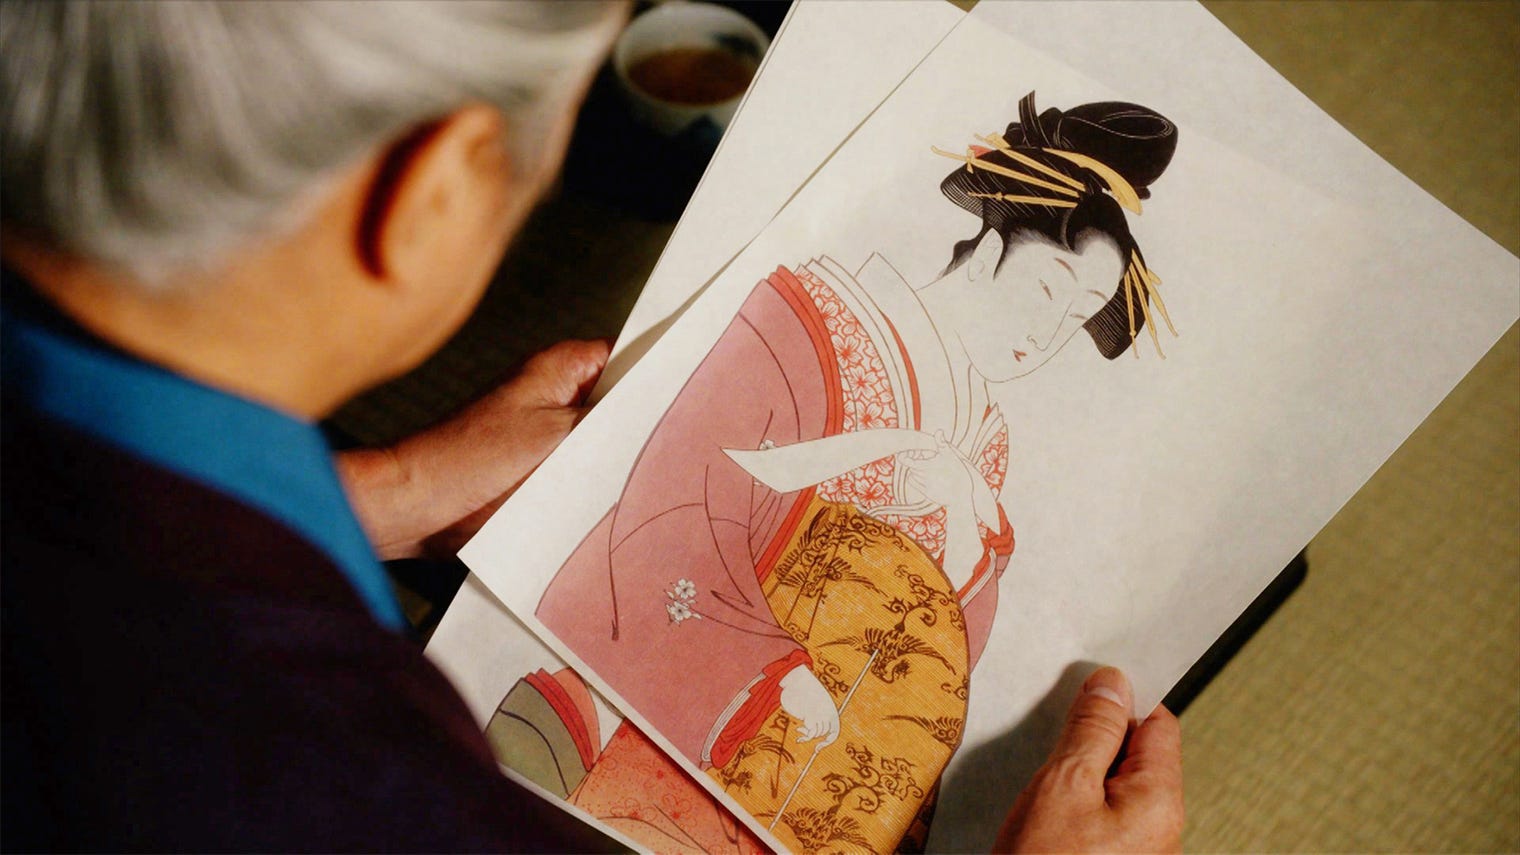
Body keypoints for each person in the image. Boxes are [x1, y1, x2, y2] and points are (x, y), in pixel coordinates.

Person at [0, 2, 1182, 852]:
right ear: (435, 196)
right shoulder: (334, 772)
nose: (1045, 329)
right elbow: (680, 526)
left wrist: (389, 490)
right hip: (736, 705)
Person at [533, 92, 1181, 851]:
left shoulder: (982, 439)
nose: (1048, 333)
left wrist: (964, 526)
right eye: (1047, 290)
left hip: (848, 765)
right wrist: (772, 671)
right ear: (988, 250)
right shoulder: (803, 323)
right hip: (733, 698)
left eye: (1077, 316)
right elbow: (684, 496)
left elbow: (954, 635)